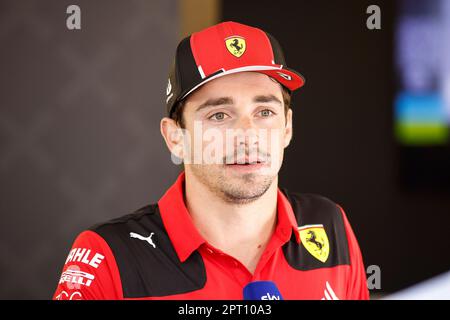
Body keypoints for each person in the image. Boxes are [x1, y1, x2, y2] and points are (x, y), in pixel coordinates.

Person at [53, 21, 369, 300]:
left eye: (265, 112)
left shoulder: (330, 223)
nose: (248, 134)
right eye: (219, 114)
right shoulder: (108, 255)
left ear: (287, 127)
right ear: (175, 137)